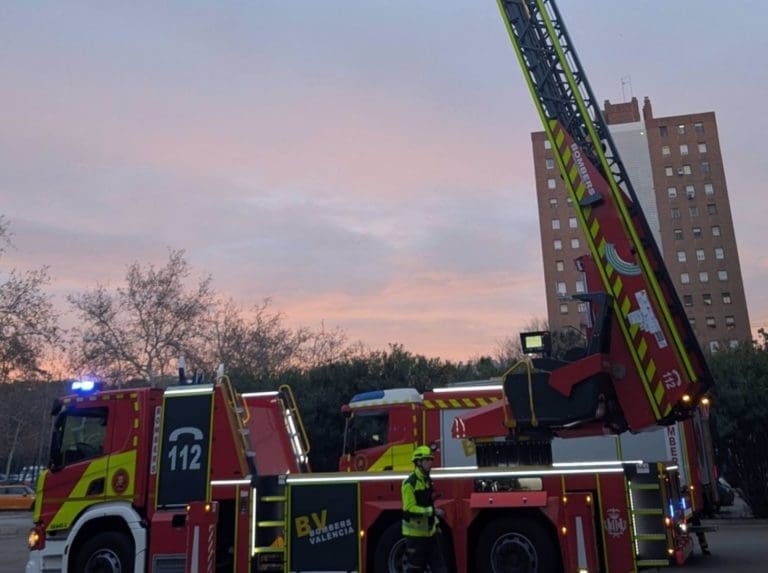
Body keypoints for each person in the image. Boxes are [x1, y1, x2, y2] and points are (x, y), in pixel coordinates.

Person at [401, 446, 448, 573]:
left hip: (430, 534)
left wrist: (436, 525)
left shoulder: (427, 480)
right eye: (427, 460)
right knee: (415, 570)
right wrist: (433, 512)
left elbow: (428, 504)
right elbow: (409, 509)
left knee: (440, 569)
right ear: (418, 462)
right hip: (415, 537)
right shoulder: (409, 483)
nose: (430, 463)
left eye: (431, 459)